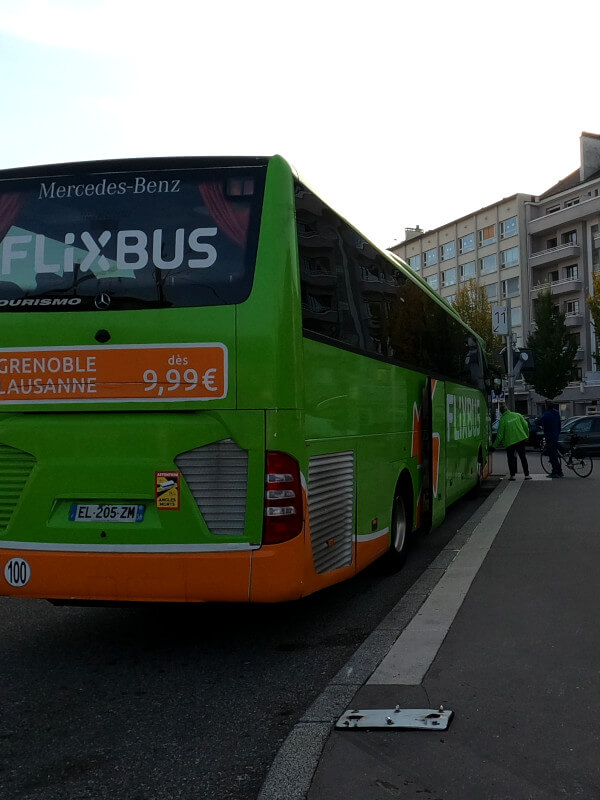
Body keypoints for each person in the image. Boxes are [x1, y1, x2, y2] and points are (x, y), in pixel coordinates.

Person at [493, 404, 531, 481]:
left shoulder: (502, 420)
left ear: (501, 412)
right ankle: (527, 475)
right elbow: (525, 425)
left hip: (510, 442)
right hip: (520, 439)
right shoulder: (517, 415)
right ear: (507, 409)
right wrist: (527, 435)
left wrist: (494, 446)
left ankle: (512, 476)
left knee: (511, 459)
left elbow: (500, 435)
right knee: (523, 457)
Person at [537, 400, 563, 478]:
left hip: (549, 436)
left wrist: (536, 421)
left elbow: (539, 422)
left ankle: (555, 472)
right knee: (553, 454)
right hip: (555, 435)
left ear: (546, 406)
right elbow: (559, 425)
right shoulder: (557, 413)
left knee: (552, 456)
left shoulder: (546, 415)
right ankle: (559, 471)